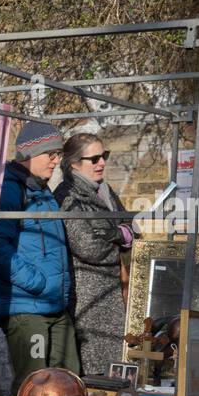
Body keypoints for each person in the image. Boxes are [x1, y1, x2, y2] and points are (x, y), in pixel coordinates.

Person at [0, 121, 80, 394]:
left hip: (54, 305)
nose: (56, 160)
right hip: (26, 308)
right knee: (34, 387)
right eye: (50, 154)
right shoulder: (11, 189)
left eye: (59, 154)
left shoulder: (42, 189)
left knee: (68, 383)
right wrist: (37, 283)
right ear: (29, 154)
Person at [54, 133, 135, 377]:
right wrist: (120, 238)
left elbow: (131, 228)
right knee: (97, 371)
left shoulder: (106, 191)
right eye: (95, 158)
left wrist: (118, 234)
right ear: (74, 163)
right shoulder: (68, 196)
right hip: (91, 296)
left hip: (116, 291)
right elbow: (88, 247)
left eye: (104, 156)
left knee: (119, 368)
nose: (102, 163)